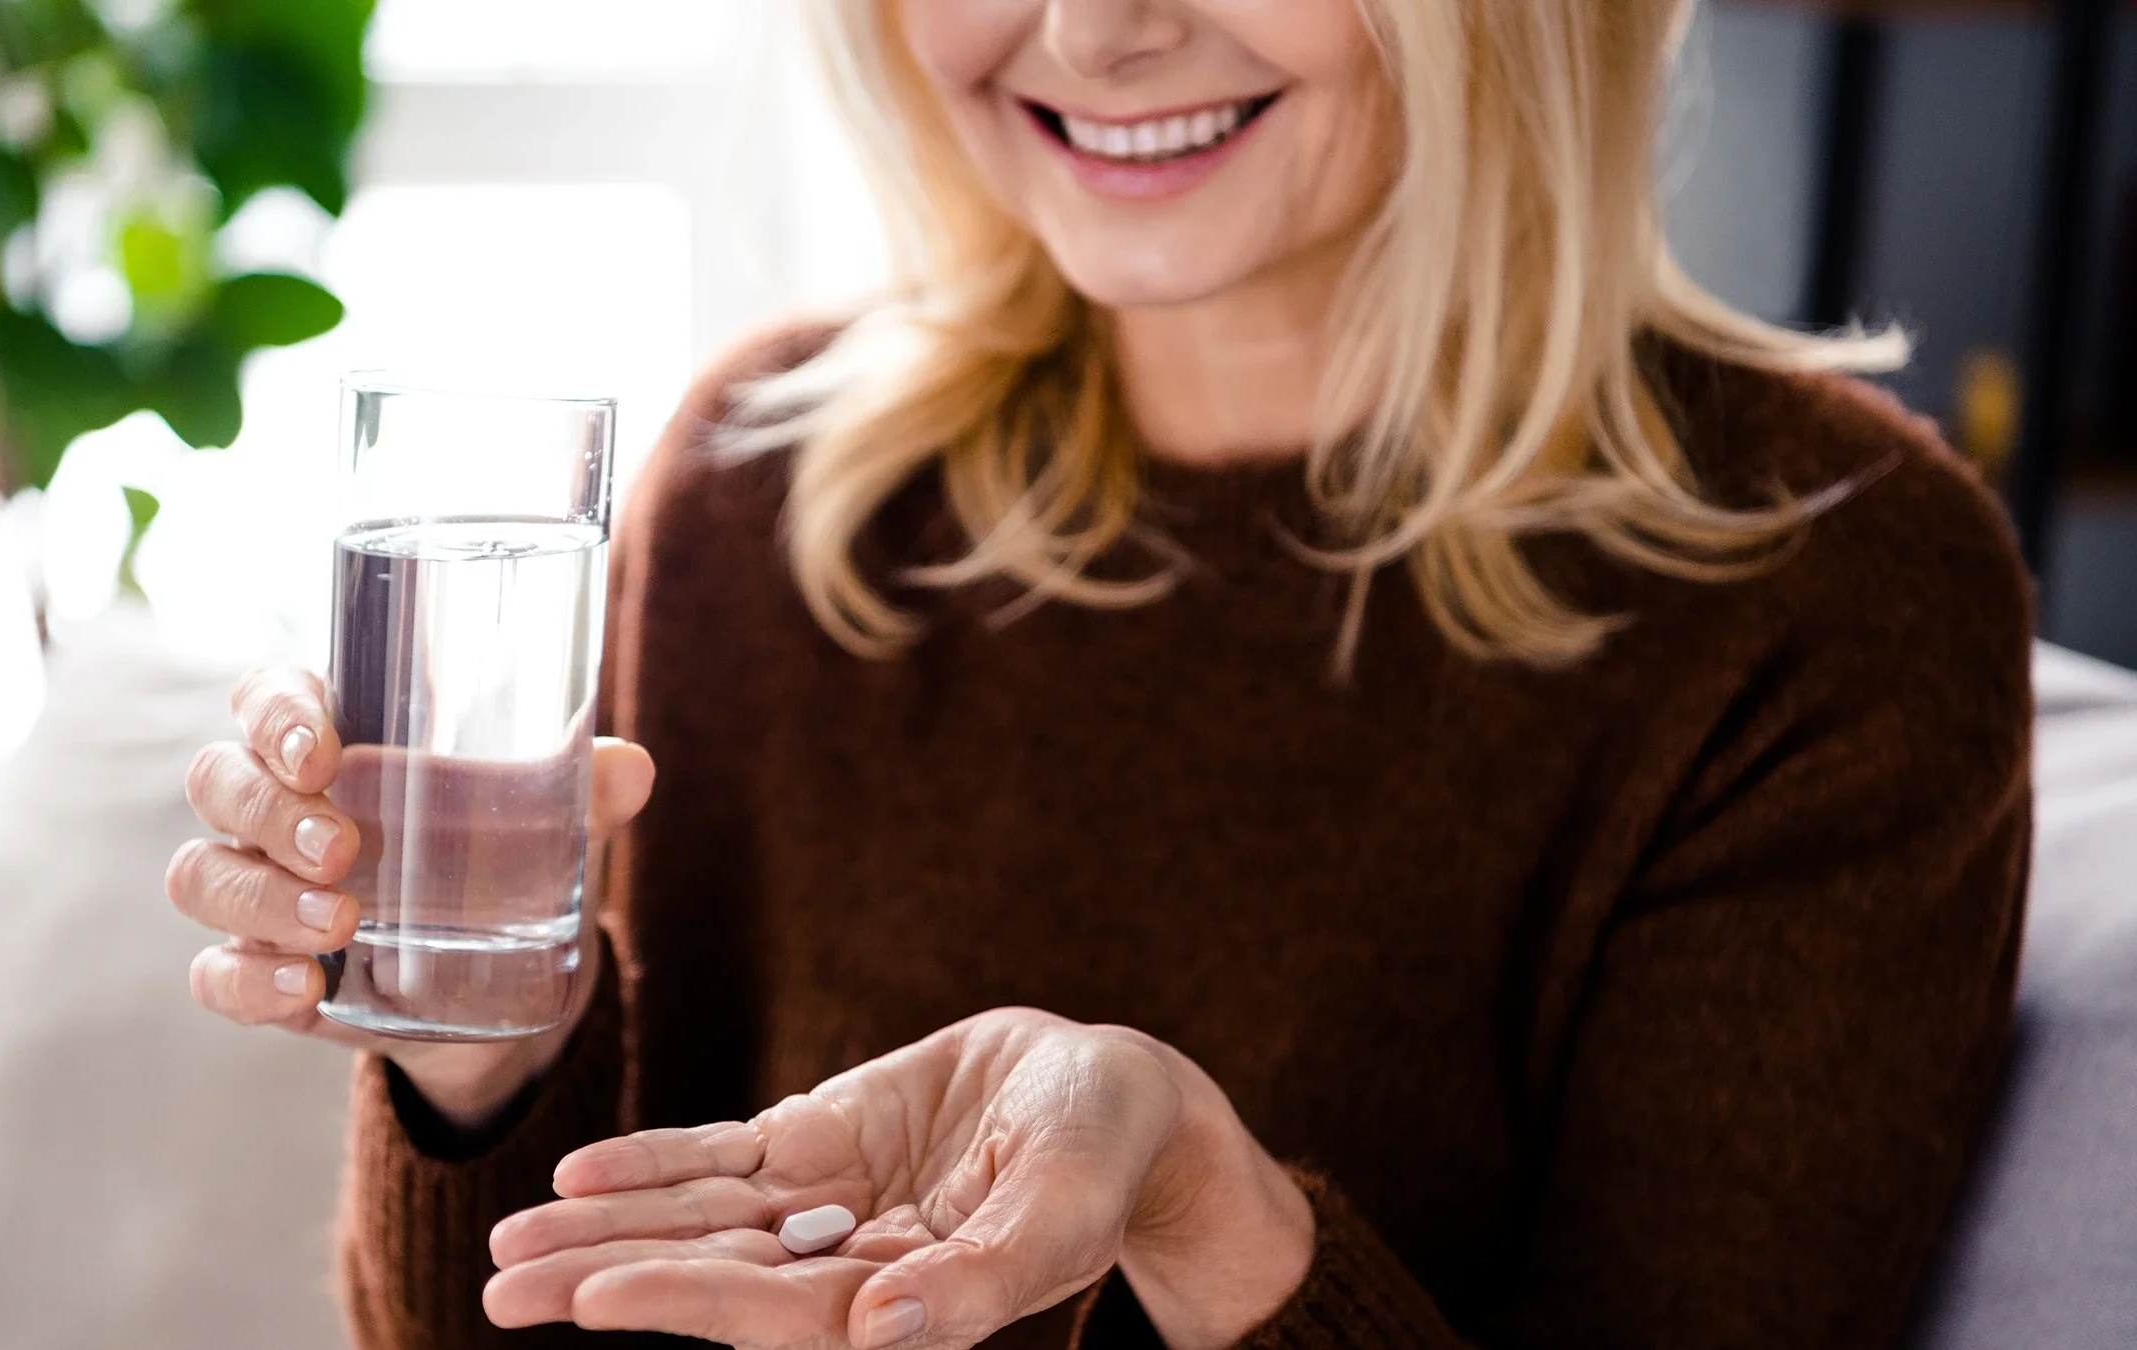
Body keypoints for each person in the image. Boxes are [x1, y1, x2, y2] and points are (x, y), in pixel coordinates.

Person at [167, 1, 2035, 1346]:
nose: (1093, 30)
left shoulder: (1830, 597)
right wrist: (481, 1060)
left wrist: (1212, 1219)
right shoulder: (767, 494)